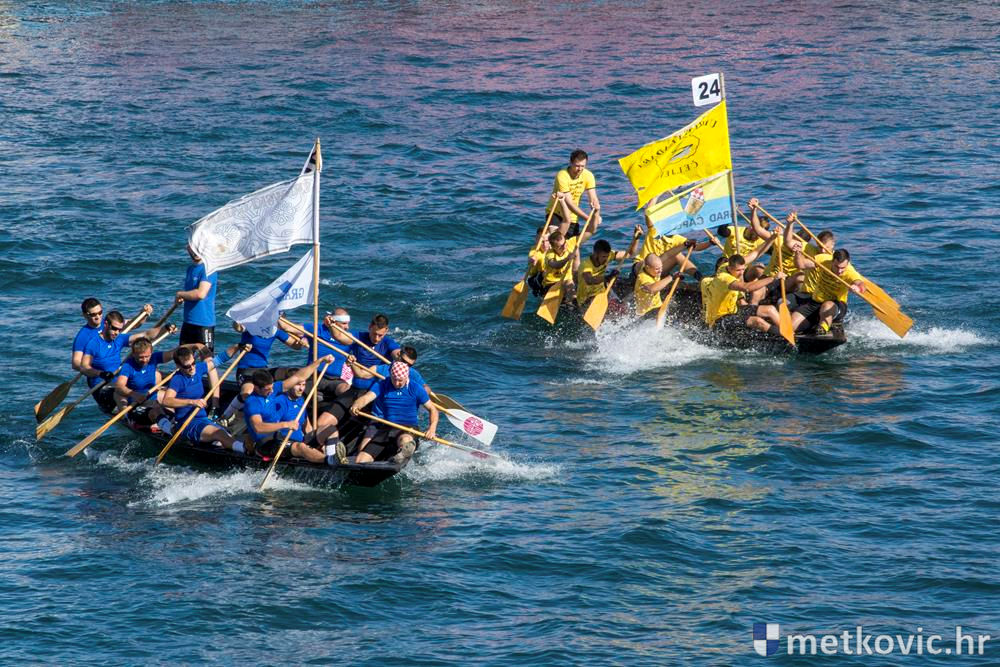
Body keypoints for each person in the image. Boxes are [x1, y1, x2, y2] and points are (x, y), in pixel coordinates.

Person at [241, 355, 335, 463]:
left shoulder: (274, 388)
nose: (272, 391)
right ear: (257, 388)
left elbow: (299, 377)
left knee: (328, 431)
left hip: (279, 437)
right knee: (300, 447)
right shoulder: (253, 402)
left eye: (272, 387)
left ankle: (330, 458)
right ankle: (329, 462)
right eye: (267, 389)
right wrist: (285, 424)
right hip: (265, 444)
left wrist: (320, 361)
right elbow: (259, 427)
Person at [349, 361, 438, 465]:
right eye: (394, 379)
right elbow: (366, 398)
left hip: (409, 428)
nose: (396, 383)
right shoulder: (382, 384)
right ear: (390, 375)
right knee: (360, 460)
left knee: (405, 439)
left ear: (406, 377)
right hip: (387, 427)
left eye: (400, 380)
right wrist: (356, 405)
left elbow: (433, 409)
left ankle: (403, 452)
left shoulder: (416, 388)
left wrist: (432, 428)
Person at [160, 346, 243, 452]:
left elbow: (220, 359)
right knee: (219, 434)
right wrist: (192, 402)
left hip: (202, 419)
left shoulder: (198, 369)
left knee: (227, 436)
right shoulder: (177, 379)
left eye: (193, 363)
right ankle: (244, 450)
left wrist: (238, 346)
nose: (192, 368)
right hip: (187, 424)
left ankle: (242, 450)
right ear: (178, 366)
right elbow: (166, 401)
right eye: (187, 366)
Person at [79, 306, 170, 388]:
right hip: (101, 384)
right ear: (106, 324)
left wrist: (165, 329)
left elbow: (146, 335)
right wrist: (101, 373)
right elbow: (84, 367)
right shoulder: (93, 344)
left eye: (119, 330)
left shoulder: (118, 338)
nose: (117, 332)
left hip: (119, 380)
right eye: (114, 328)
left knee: (161, 378)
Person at [703, 254, 787, 335]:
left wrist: (769, 243)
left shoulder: (726, 266)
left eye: (743, 269)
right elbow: (747, 288)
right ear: (729, 268)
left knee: (770, 309)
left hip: (734, 311)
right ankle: (783, 337)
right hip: (720, 320)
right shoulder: (724, 278)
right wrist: (773, 278)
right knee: (757, 321)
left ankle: (788, 333)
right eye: (738, 270)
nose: (741, 273)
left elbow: (755, 253)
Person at [279, 308, 355, 398]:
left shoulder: (348, 337)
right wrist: (275, 314)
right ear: (334, 322)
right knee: (296, 390)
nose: (347, 327)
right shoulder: (316, 329)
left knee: (346, 390)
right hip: (313, 376)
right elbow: (288, 327)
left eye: (348, 323)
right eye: (344, 323)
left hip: (335, 380)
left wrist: (352, 359)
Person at [791, 247, 866, 335]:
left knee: (827, 305)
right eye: (836, 267)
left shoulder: (850, 272)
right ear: (832, 261)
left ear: (848, 263)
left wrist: (858, 288)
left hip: (837, 305)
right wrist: (798, 253)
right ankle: (814, 322)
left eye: (843, 268)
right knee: (791, 326)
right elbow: (801, 265)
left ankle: (822, 328)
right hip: (815, 302)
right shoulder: (824, 260)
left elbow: (861, 284)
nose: (839, 271)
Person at [575, 227, 643, 310]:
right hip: (586, 299)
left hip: (603, 292)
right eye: (603, 257)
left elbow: (629, 254)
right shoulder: (585, 265)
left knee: (630, 291)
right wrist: (607, 277)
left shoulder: (609, 255)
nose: (606, 259)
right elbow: (589, 280)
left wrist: (636, 238)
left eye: (607, 256)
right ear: (595, 254)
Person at [544, 149, 601, 238]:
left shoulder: (588, 175)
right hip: (556, 213)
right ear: (570, 163)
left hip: (573, 217)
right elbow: (569, 203)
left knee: (569, 245)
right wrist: (588, 218)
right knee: (556, 241)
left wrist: (596, 214)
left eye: (583, 166)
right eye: (577, 166)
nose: (580, 169)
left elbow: (593, 198)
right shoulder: (562, 175)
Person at [635, 215, 711, 280]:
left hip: (658, 269)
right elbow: (648, 214)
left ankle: (701, 279)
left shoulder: (677, 238)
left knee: (678, 255)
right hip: (642, 266)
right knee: (652, 262)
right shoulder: (654, 231)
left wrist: (710, 243)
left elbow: (696, 247)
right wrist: (652, 201)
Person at [176, 243, 218, 352]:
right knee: (182, 356)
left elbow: (200, 294)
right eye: (193, 248)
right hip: (188, 321)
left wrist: (180, 294)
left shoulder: (209, 269)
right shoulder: (190, 269)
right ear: (188, 248)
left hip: (204, 323)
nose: (196, 251)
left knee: (207, 357)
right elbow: (190, 293)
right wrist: (183, 297)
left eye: (199, 247)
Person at [72, 298, 105, 373]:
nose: (98, 317)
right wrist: (90, 369)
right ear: (85, 315)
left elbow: (128, 323)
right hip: (98, 374)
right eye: (93, 314)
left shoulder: (108, 323)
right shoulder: (83, 336)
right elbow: (75, 363)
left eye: (100, 312)